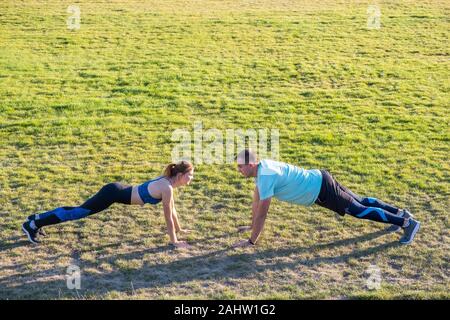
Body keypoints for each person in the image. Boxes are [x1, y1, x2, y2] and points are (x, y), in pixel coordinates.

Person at [233, 149, 420, 248]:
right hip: (320, 178)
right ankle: (401, 214)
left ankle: (407, 224)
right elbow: (256, 201)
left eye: (240, 167)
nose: (239, 171)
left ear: (250, 164)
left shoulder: (265, 176)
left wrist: (251, 241)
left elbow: (262, 214)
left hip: (321, 190)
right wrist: (251, 226)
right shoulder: (263, 168)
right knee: (361, 201)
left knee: (359, 210)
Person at [22, 161, 194, 248]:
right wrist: (174, 241)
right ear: (180, 175)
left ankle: (37, 218)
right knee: (77, 212)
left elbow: (172, 210)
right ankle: (33, 224)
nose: (191, 179)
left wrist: (179, 230)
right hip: (112, 194)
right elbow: (167, 218)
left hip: (116, 190)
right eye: (190, 175)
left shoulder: (168, 183)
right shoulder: (167, 187)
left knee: (78, 210)